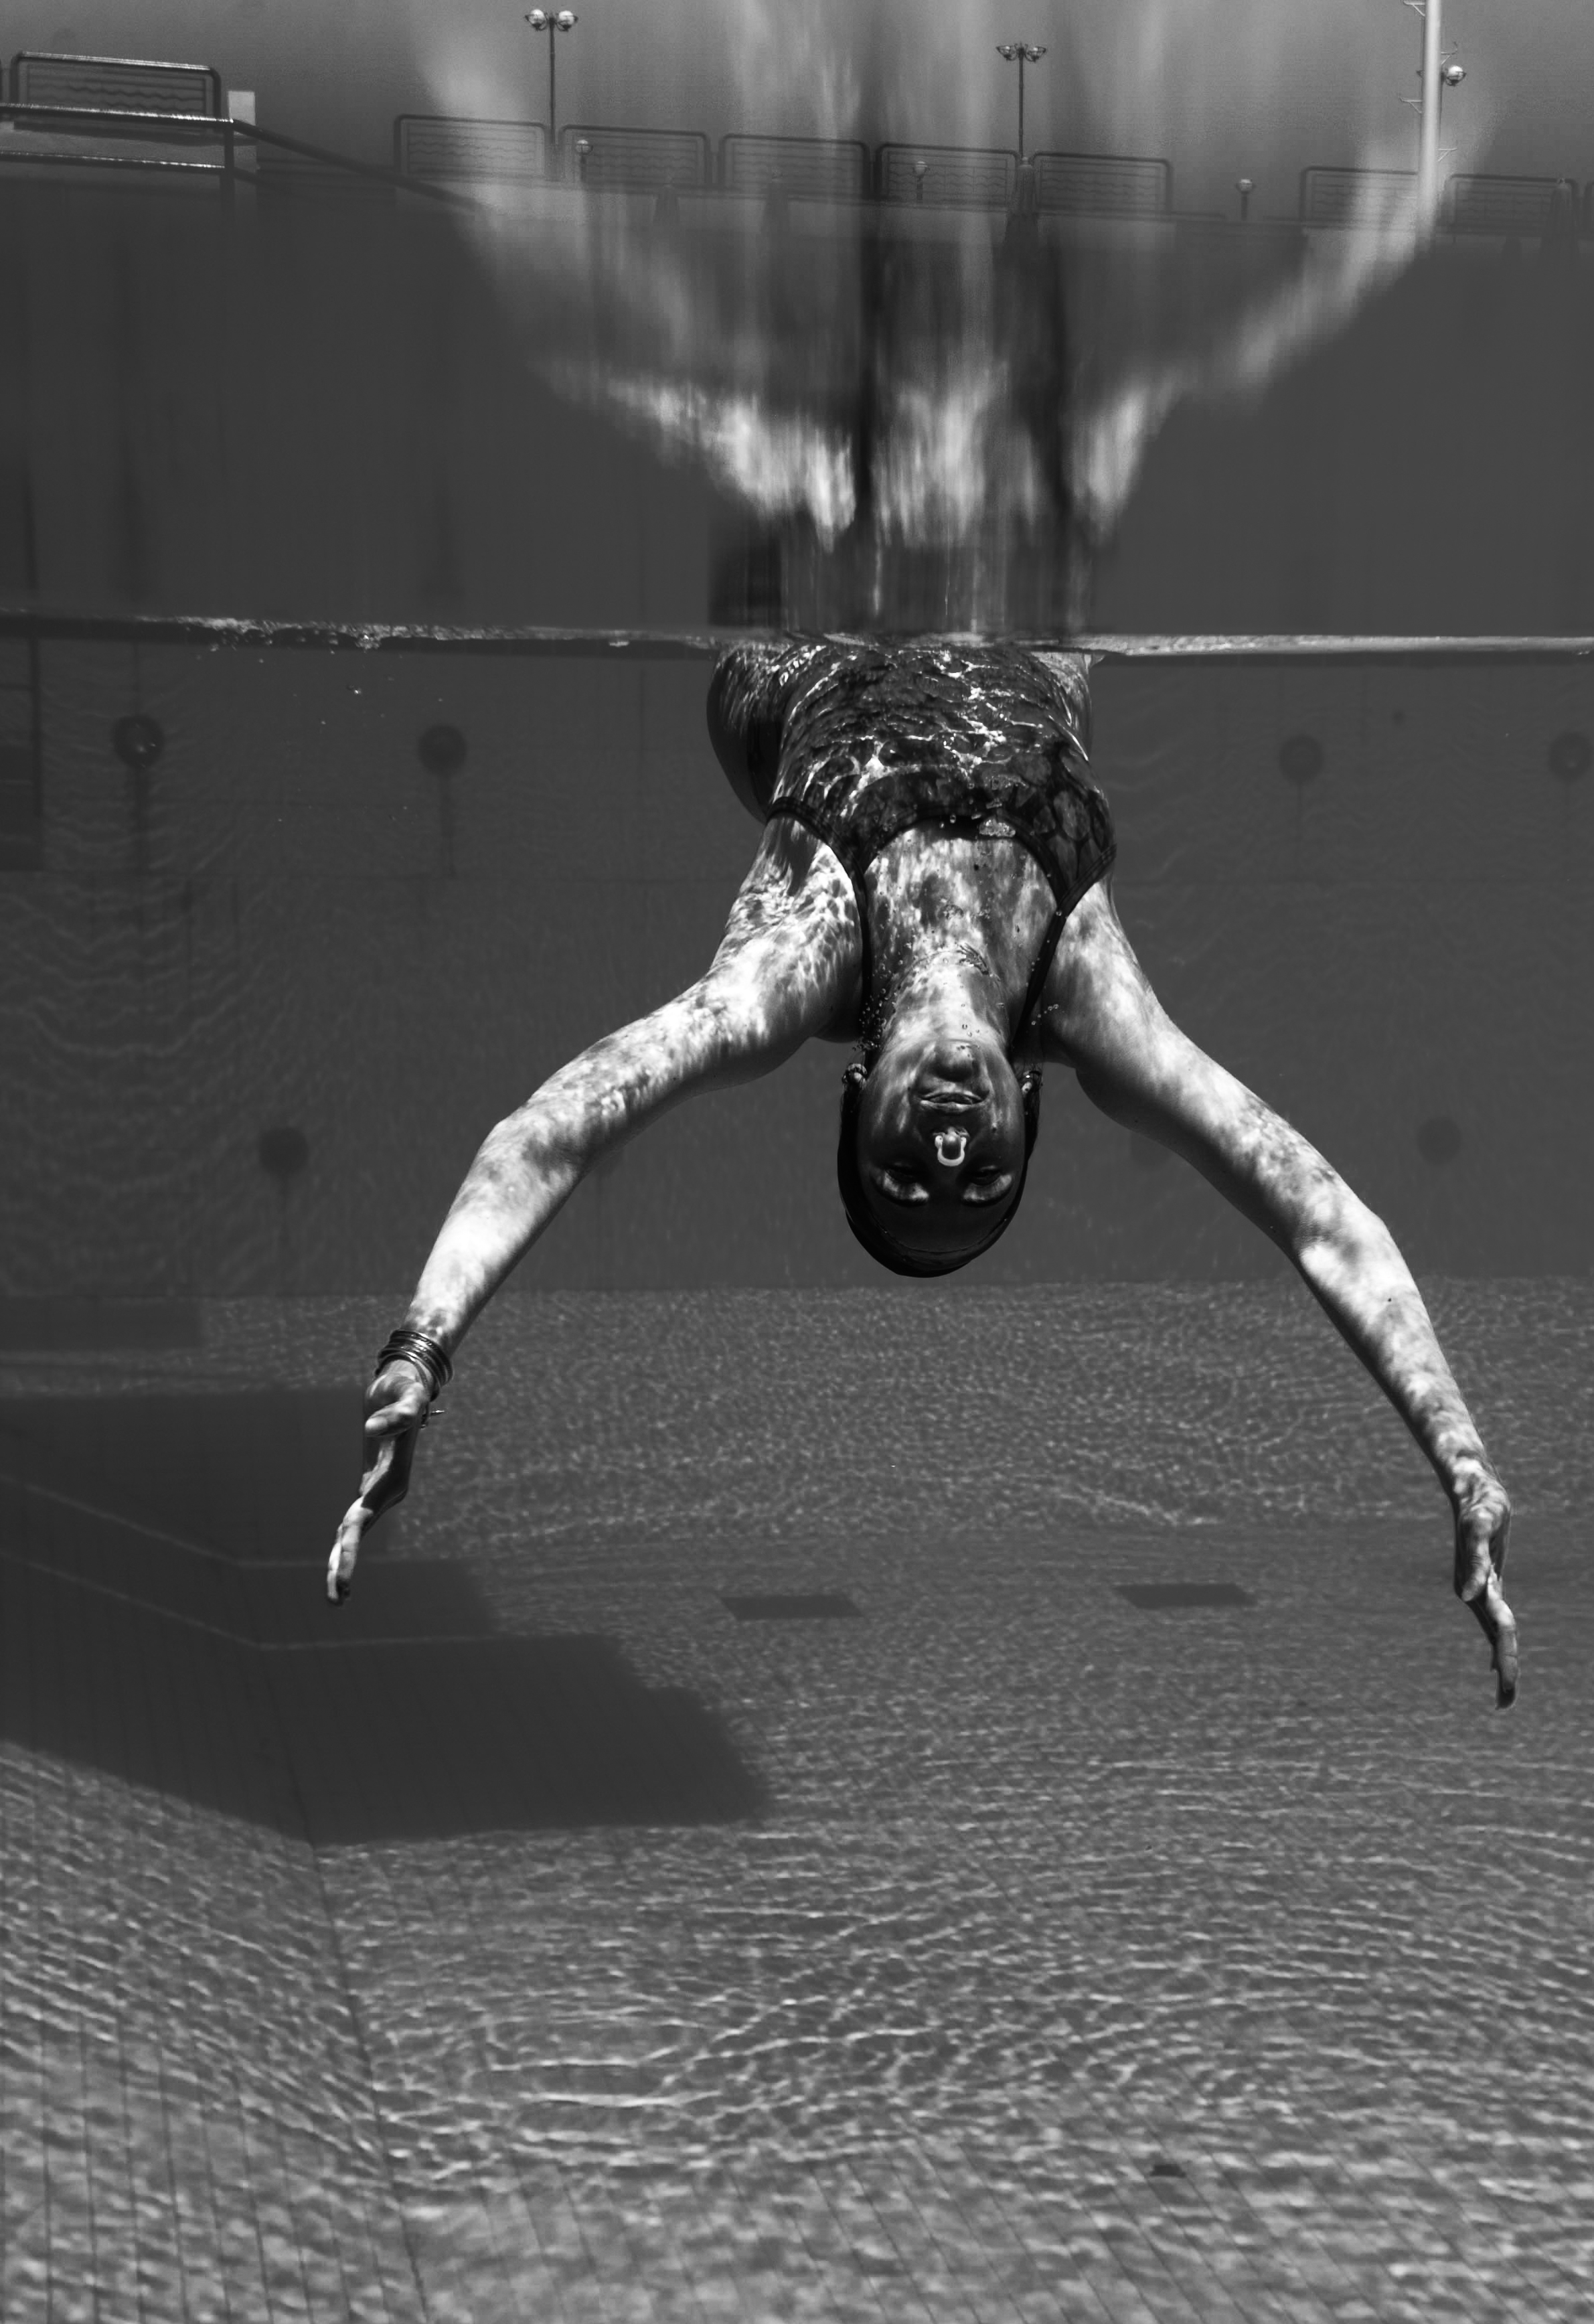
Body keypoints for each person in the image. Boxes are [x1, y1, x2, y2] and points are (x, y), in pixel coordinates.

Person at [329, 634, 1518, 1706]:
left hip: (795, 663)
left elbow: (550, 1131)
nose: (950, 1151)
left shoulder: (796, 967)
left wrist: (420, 1352)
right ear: (1032, 1109)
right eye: (983, 1181)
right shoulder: (1085, 994)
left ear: (855, 1097)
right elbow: (1317, 1214)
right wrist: (1461, 1460)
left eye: (904, 1176)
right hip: (1025, 636)